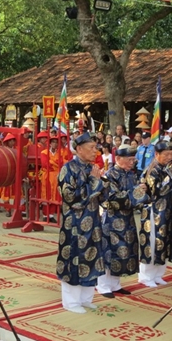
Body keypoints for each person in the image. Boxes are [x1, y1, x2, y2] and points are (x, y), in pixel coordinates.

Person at [56, 132, 105, 313]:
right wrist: (94, 181)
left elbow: (102, 196)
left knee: (91, 257)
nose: (95, 151)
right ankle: (71, 302)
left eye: (96, 147)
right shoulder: (67, 169)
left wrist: (101, 182)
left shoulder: (91, 168)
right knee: (74, 259)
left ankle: (86, 298)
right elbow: (71, 198)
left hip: (93, 222)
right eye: (91, 148)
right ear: (79, 149)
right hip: (74, 224)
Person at [98, 144, 149, 298]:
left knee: (124, 250)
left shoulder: (132, 175)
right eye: (130, 159)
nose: (133, 162)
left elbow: (137, 198)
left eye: (134, 159)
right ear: (118, 159)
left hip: (127, 218)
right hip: (111, 219)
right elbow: (112, 198)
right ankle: (102, 286)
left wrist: (142, 193)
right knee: (109, 252)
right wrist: (136, 192)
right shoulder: (110, 175)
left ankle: (115, 284)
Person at [138, 141, 172, 287]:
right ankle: (146, 276)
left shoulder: (170, 168)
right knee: (152, 241)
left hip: (168, 209)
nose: (169, 157)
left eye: (171, 154)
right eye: (166, 154)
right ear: (157, 154)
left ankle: (158, 273)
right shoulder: (152, 170)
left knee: (165, 241)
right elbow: (158, 190)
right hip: (154, 211)